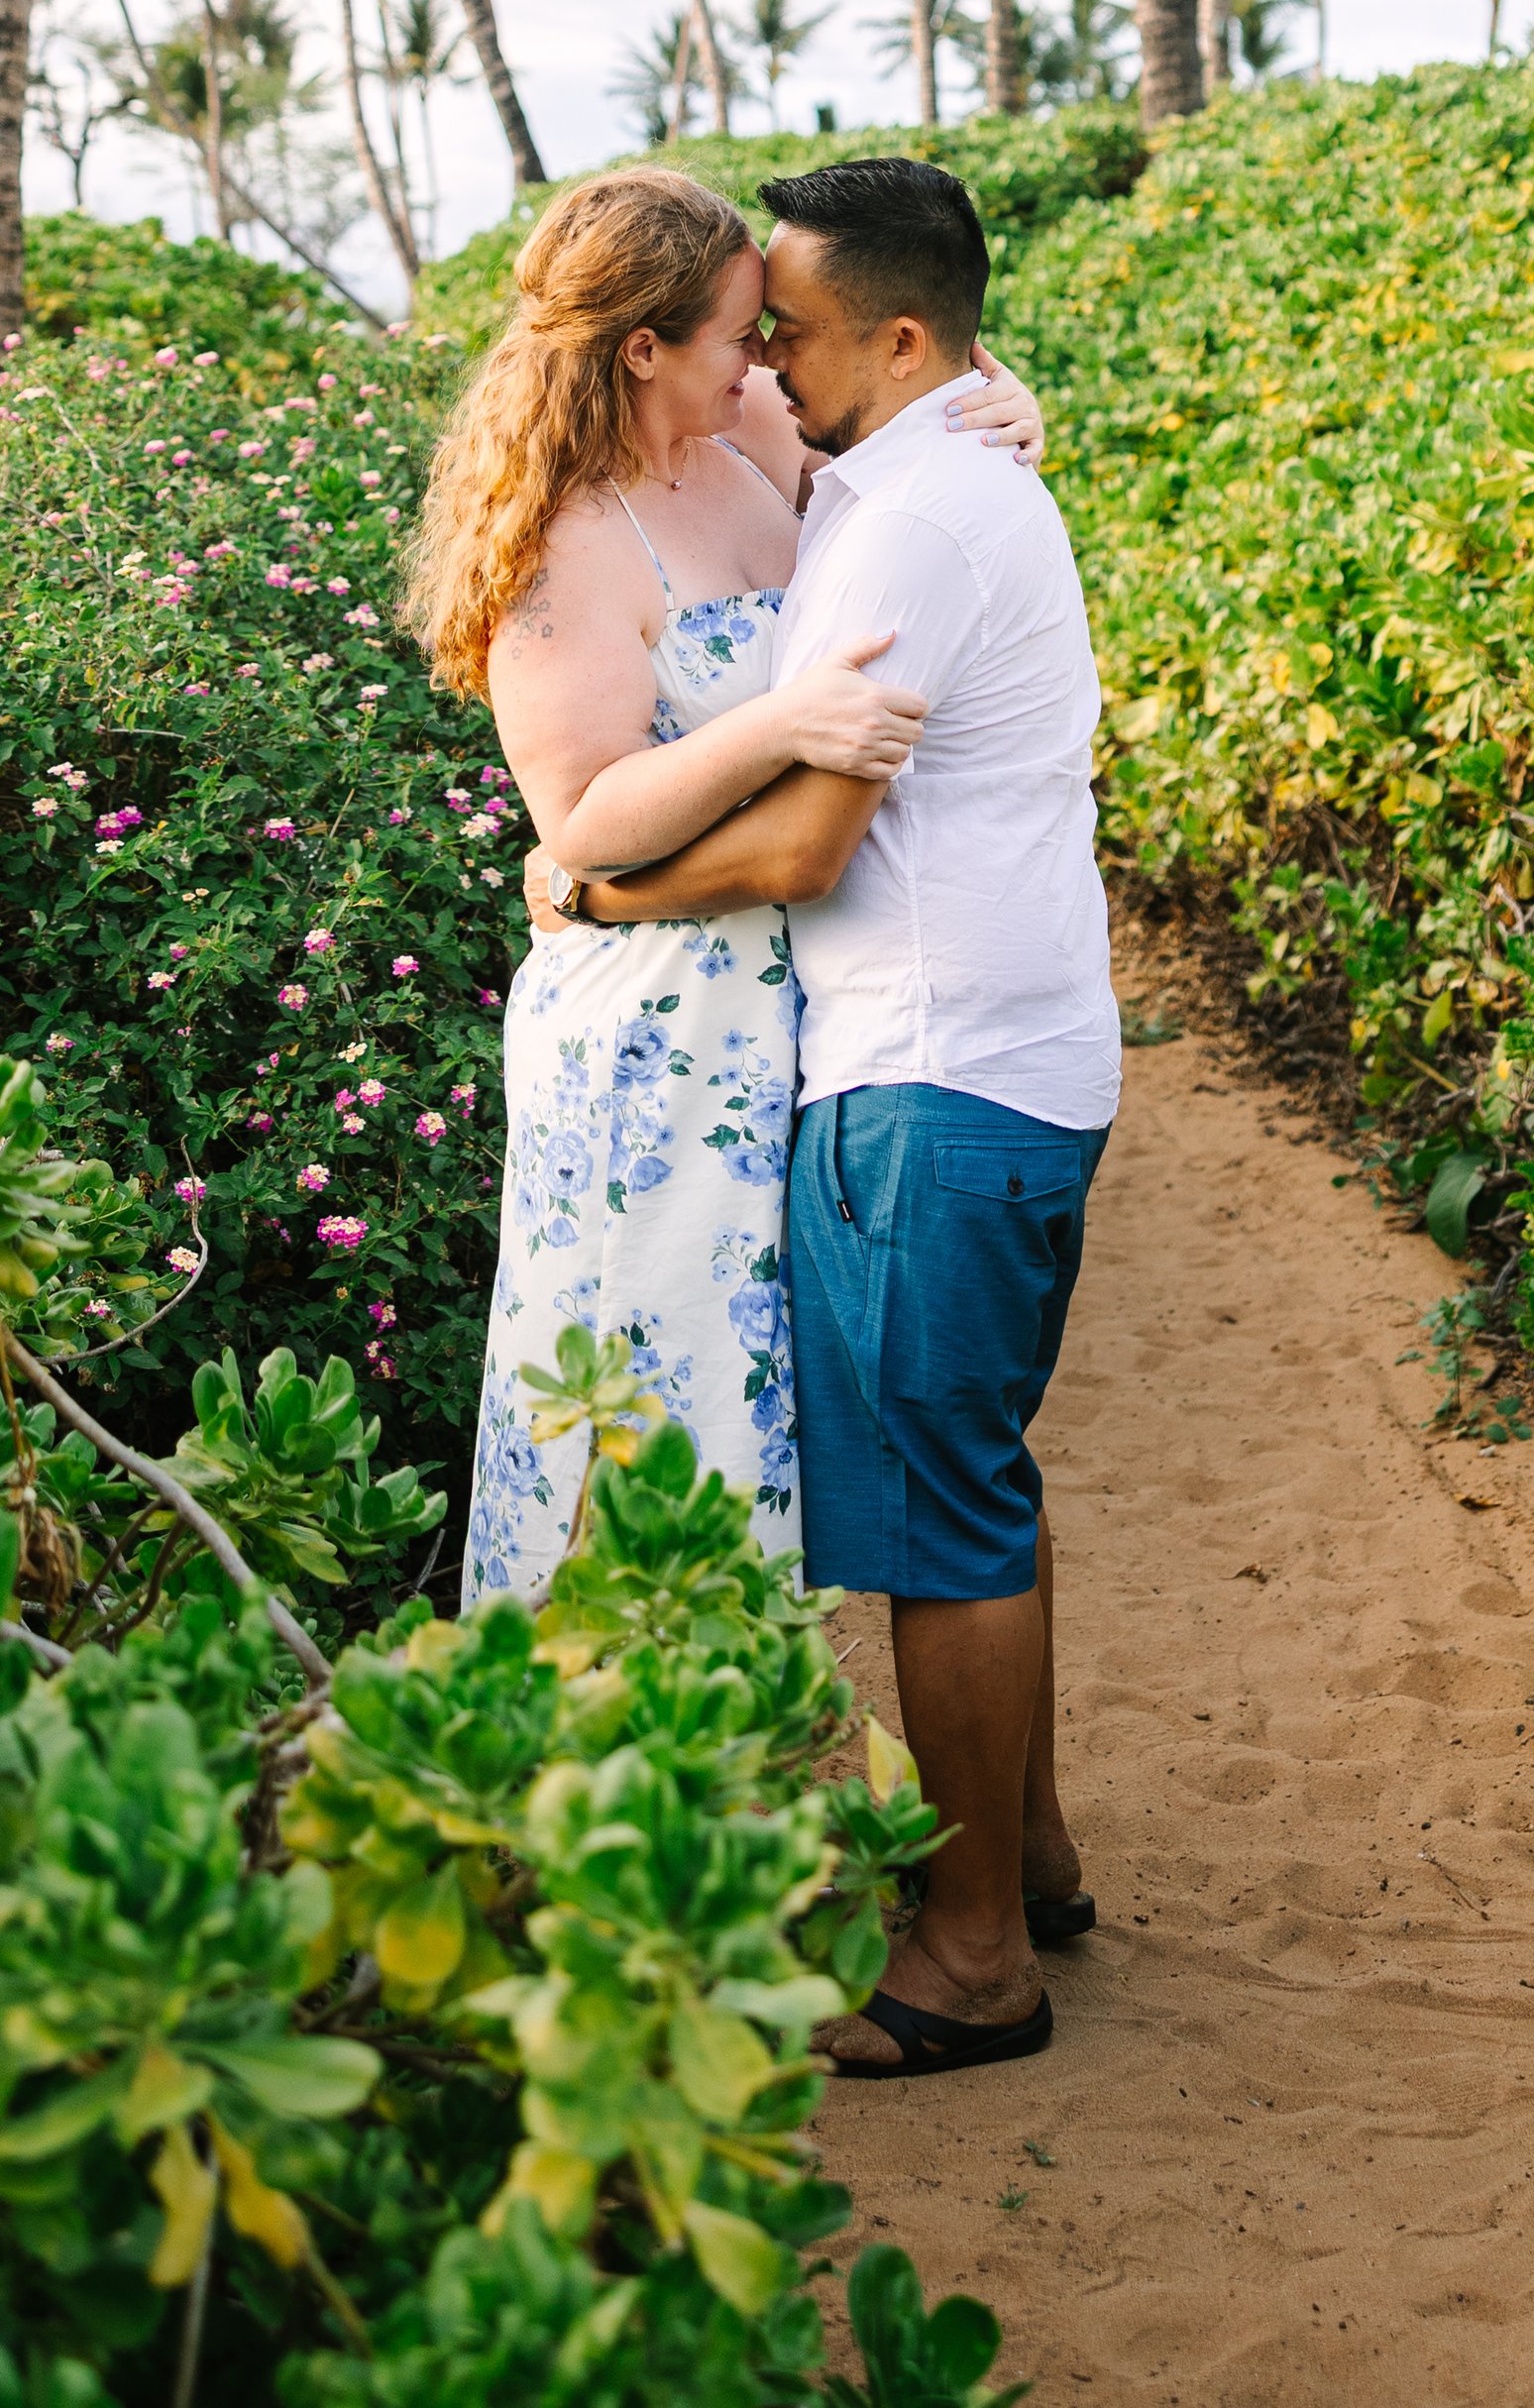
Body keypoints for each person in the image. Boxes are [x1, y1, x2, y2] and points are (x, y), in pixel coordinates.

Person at [533, 159, 1119, 2078]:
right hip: (994, 1053)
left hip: (932, 1064)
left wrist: (596, 896)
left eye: (784, 331)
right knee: (976, 1479)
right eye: (741, 335)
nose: (765, 364)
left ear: (888, 338)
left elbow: (796, 839)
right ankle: (1019, 1867)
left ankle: (965, 1965)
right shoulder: (922, 473)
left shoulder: (908, 517)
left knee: (938, 1518)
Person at [403, 165, 1041, 1604]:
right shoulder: (558, 540)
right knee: (653, 1386)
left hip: (787, 1006)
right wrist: (779, 723)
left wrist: (1012, 405)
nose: (766, 358)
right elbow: (580, 816)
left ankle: (740, 1748)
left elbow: (916, 361)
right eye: (741, 334)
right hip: (651, 1034)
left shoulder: (750, 428)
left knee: (752, 1400)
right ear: (645, 348)